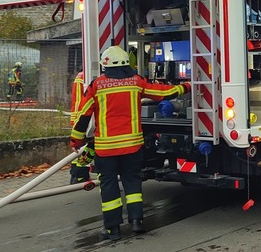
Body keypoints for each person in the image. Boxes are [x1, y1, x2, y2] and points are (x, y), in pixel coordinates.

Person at [70, 46, 191, 241]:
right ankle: (136, 222)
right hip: (132, 147)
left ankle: (112, 229)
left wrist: (76, 140)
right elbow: (164, 93)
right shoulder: (136, 82)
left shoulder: (97, 85)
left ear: (105, 64)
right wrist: (187, 86)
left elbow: (83, 117)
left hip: (106, 149)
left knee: (109, 187)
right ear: (128, 63)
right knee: (133, 183)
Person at [68, 71, 95, 184]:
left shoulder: (80, 76)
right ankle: (81, 176)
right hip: (84, 118)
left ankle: (75, 175)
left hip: (78, 118)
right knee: (89, 148)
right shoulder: (87, 76)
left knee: (78, 150)